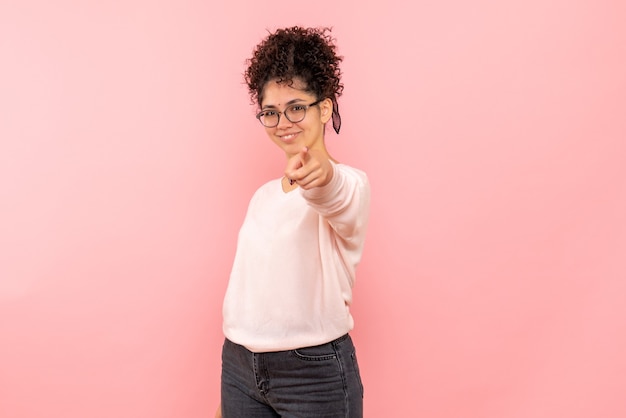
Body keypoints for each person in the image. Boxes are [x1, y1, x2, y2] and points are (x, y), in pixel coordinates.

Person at [216, 26, 370, 418]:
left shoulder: (348, 183)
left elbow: (332, 194)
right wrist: (230, 393)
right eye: (271, 112)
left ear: (323, 108)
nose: (283, 121)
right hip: (239, 367)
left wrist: (322, 174)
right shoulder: (262, 197)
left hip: (312, 373)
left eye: (296, 107)